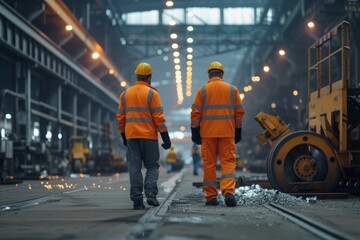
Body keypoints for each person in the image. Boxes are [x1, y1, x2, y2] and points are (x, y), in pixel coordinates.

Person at [116, 62, 172, 210]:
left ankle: (137, 200)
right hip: (149, 138)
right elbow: (158, 118)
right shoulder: (153, 94)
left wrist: (123, 135)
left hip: (132, 137)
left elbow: (120, 118)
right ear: (149, 77)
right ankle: (151, 194)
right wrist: (165, 137)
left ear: (137, 76)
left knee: (134, 167)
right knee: (152, 166)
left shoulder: (125, 94)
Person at [190, 61, 244, 207]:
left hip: (207, 135)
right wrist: (238, 130)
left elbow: (195, 113)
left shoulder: (203, 91)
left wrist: (195, 132)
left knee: (209, 165)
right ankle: (228, 193)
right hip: (227, 133)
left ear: (209, 74)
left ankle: (211, 197)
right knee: (228, 163)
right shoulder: (232, 90)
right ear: (222, 74)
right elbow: (239, 112)